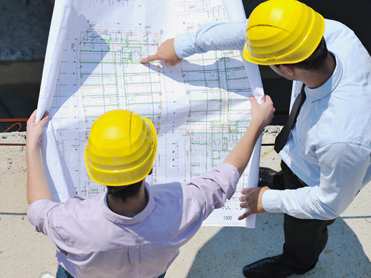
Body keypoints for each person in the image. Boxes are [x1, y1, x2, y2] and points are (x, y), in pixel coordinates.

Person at [140, 0, 371, 278]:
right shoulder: (332, 34)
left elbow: (329, 202)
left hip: (318, 179)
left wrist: (267, 201)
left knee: (303, 234)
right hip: (308, 155)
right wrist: (185, 44)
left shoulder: (342, 137)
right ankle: (281, 181)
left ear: (287, 70)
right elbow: (249, 31)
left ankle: (295, 264)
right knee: (286, 175)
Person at [26, 96, 274, 277]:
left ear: (96, 174)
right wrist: (257, 124)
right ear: (149, 169)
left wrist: (32, 142)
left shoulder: (70, 221)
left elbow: (38, 208)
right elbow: (226, 178)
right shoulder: (181, 206)